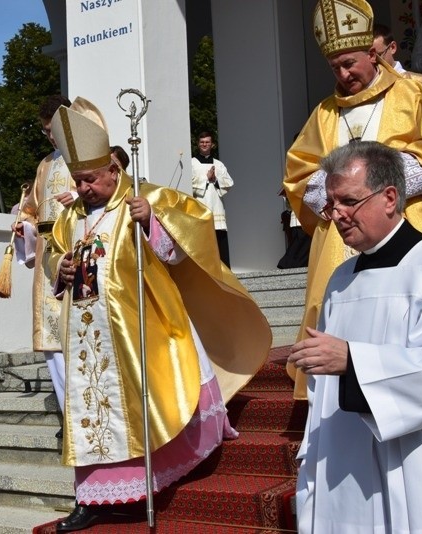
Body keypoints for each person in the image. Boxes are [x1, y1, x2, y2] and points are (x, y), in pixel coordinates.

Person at [48, 99, 271, 531]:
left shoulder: (144, 197)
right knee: (94, 411)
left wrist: (153, 221)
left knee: (145, 402)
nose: (84, 188)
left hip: (142, 324)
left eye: (91, 179)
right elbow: (53, 255)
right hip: (86, 333)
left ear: (114, 170)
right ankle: (92, 497)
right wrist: (61, 267)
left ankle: (155, 475)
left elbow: (186, 244)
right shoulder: (69, 215)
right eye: (78, 180)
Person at [288, 141, 422, 533]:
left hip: (421, 463)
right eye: (331, 204)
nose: (336, 214)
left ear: (390, 198)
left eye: (348, 201)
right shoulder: (340, 278)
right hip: (345, 462)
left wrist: (353, 362)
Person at [283, 0, 422, 401]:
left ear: (374, 52)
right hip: (338, 237)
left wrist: (374, 184)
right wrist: (339, 194)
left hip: (405, 220)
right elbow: (300, 174)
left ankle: (407, 388)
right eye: (334, 66)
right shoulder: (324, 113)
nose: (342, 74)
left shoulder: (412, 94)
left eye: (350, 63)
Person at [12, 95, 77, 431]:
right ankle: (70, 417)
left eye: (54, 129)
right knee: (53, 341)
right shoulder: (45, 165)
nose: (51, 137)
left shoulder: (89, 155)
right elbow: (31, 210)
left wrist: (80, 196)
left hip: (79, 251)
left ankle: (89, 412)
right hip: (46, 260)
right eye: (46, 132)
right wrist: (22, 225)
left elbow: (114, 190)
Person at [372, 23, 422, 108]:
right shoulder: (362, 90)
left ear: (392, 47)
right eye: (367, 57)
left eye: (378, 56)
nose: (373, 61)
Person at [191, 131, 233, 267]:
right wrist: (205, 178)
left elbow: (229, 183)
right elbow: (189, 183)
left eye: (207, 142)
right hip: (201, 204)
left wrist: (215, 180)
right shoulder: (192, 163)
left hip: (217, 205)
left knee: (219, 237)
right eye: (202, 142)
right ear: (198, 144)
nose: (205, 144)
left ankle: (225, 269)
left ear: (212, 144)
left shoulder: (219, 164)